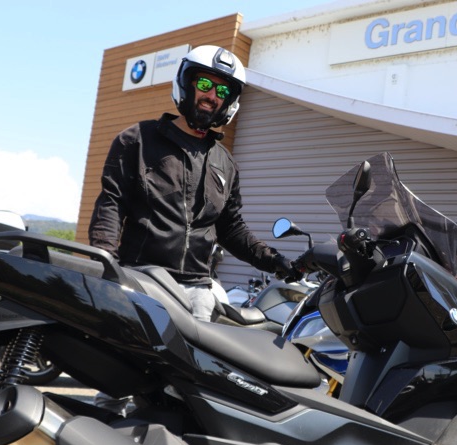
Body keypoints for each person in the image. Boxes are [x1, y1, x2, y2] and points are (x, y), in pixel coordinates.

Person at [88, 45, 300, 322]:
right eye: (204, 84)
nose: (212, 96)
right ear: (186, 83)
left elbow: (231, 228)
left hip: (199, 292)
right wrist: (104, 259)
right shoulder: (137, 140)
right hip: (142, 278)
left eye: (222, 91)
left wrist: (275, 261)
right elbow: (111, 203)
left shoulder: (225, 163)